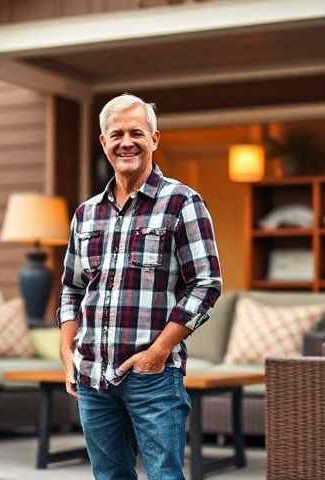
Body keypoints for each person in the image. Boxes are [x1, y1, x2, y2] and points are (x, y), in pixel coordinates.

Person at [56, 93, 222, 480]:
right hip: (93, 377)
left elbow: (206, 283)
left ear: (154, 139)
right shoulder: (86, 214)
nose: (126, 142)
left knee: (165, 475)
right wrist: (68, 354)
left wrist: (158, 352)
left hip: (152, 377)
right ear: (103, 142)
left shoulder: (182, 202)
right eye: (117, 134)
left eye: (136, 133)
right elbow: (71, 289)